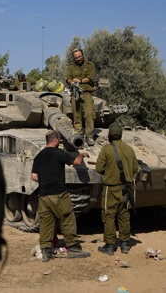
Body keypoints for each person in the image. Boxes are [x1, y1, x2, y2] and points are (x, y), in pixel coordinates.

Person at [31, 130, 91, 262]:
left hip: (43, 195)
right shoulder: (58, 153)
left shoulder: (39, 156)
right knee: (67, 218)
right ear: (56, 140)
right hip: (58, 193)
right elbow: (76, 162)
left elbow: (34, 176)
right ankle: (73, 248)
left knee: (46, 222)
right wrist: (81, 155)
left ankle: (46, 251)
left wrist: (46, 180)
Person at [95, 122, 139, 256]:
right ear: (121, 134)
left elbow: (99, 169)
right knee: (124, 215)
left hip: (111, 188)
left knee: (108, 216)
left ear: (109, 135)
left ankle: (109, 245)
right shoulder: (129, 149)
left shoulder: (107, 149)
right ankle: (125, 244)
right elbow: (135, 169)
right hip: (126, 188)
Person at [66, 48, 97, 146]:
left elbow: (91, 77)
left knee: (89, 114)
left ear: (83, 55)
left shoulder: (90, 65)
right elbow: (68, 78)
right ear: (74, 58)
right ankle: (78, 133)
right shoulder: (71, 67)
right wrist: (72, 82)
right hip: (75, 93)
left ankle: (89, 135)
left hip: (86, 93)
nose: (78, 59)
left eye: (79, 56)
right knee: (77, 115)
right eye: (76, 57)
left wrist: (79, 80)